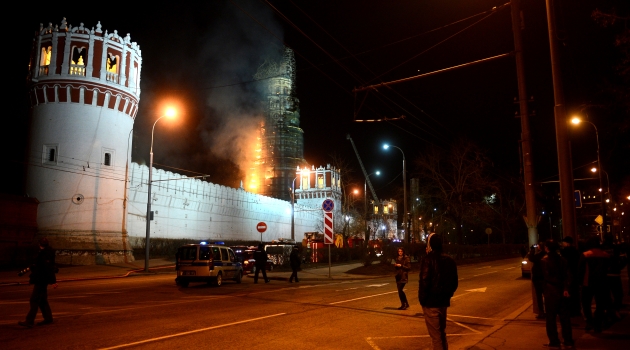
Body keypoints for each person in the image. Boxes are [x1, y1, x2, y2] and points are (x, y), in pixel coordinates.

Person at [418, 233, 458, 350]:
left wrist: (423, 300)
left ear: (430, 245)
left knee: (436, 337)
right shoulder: (449, 260)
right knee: (441, 333)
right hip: (443, 302)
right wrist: (447, 295)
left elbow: (424, 281)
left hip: (431, 303)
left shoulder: (428, 260)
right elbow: (454, 283)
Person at [18, 238, 58, 328]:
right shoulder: (45, 252)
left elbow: (48, 268)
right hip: (41, 279)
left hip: (41, 280)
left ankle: (29, 321)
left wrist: (53, 281)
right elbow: (40, 265)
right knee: (42, 299)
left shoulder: (45, 254)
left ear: (39, 244)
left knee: (34, 299)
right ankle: (48, 318)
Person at [541, 239, 574, 348]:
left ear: (547, 248)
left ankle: (554, 341)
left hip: (551, 292)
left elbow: (545, 277)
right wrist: (565, 287)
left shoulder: (545, 261)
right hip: (563, 292)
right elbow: (568, 276)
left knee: (551, 318)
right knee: (565, 317)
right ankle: (568, 340)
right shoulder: (563, 260)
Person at [579, 236, 611, 332]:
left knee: (586, 304)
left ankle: (589, 322)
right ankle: (598, 323)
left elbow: (580, 270)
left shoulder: (585, 255)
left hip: (587, 282)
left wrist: (579, 282)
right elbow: (608, 268)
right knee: (600, 304)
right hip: (602, 282)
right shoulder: (605, 255)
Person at [560, 236, 581, 317]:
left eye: (564, 242)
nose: (562, 244)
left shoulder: (564, 252)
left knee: (568, 293)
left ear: (567, 243)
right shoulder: (576, 251)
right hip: (575, 274)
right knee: (575, 293)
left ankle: (570, 310)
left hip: (568, 275)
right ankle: (576, 310)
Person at [529, 241, 546, 319]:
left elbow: (531, 258)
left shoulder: (540, 255)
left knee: (539, 296)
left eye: (538, 245)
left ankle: (541, 312)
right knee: (546, 296)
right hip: (545, 278)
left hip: (539, 278)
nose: (537, 246)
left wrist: (532, 250)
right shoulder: (546, 254)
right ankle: (548, 311)